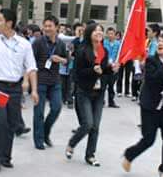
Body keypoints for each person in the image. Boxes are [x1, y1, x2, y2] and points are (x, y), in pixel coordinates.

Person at [0, 9, 39, 173]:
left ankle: (6, 157)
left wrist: (34, 90)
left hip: (15, 89)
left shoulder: (24, 44)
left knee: (12, 123)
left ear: (9, 23)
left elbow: (31, 67)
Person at [122, 38, 163, 177]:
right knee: (148, 139)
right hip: (150, 106)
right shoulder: (151, 60)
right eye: (159, 40)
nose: (161, 43)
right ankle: (129, 155)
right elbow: (152, 80)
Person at [65, 23, 118, 167]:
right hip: (84, 92)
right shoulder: (82, 50)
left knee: (95, 126)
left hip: (99, 93)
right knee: (88, 124)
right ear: (89, 33)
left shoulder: (104, 51)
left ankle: (90, 155)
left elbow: (104, 71)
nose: (99, 33)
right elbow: (76, 74)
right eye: (96, 31)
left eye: (101, 30)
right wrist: (93, 71)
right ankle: (72, 143)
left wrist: (111, 69)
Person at [31, 15, 68, 150]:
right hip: (40, 80)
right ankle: (39, 140)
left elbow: (67, 60)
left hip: (55, 81)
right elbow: (30, 62)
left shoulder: (60, 43)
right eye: (45, 26)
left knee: (57, 107)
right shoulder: (38, 42)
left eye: (50, 26)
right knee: (39, 112)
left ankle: (45, 131)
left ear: (56, 27)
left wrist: (60, 59)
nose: (47, 28)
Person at [103, 27, 120, 108]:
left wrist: (116, 64)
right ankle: (101, 101)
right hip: (105, 66)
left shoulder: (118, 44)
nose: (110, 35)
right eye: (108, 33)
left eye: (112, 34)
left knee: (111, 85)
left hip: (114, 67)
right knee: (103, 84)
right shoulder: (104, 43)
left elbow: (119, 55)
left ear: (115, 34)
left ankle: (111, 101)